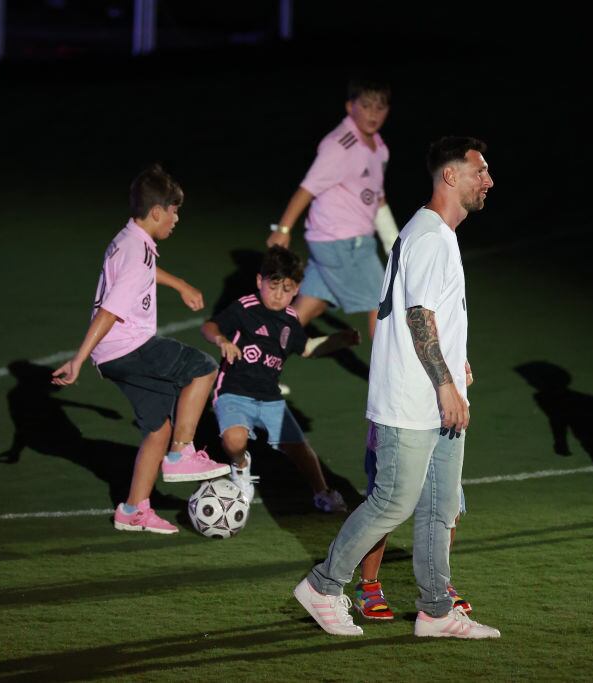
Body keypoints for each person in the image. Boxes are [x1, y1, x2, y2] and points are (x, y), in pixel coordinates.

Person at [293, 136, 500, 639]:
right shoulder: (431, 237)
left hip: (435, 394)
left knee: (438, 506)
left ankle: (435, 609)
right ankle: (323, 585)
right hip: (414, 401)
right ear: (451, 176)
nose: (488, 181)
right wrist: (447, 385)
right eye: (480, 172)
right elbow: (417, 315)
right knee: (392, 502)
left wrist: (456, 364)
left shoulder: (432, 234)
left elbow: (432, 315)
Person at [52, 164, 231, 535]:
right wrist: (78, 359)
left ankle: (133, 509)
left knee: (156, 428)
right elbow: (110, 311)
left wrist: (179, 283)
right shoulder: (137, 251)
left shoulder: (131, 239)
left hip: (114, 353)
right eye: (174, 210)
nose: (177, 218)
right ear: (156, 212)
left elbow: (144, 271)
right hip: (127, 346)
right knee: (202, 366)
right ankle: (182, 452)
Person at [200, 246, 359, 511]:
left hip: (270, 397)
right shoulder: (245, 307)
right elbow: (209, 326)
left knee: (300, 449)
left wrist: (338, 340)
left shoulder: (291, 320)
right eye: (273, 286)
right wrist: (221, 339)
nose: (278, 295)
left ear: (296, 290)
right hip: (233, 391)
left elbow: (307, 348)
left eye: (286, 289)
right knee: (234, 440)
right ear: (259, 282)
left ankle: (322, 492)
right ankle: (241, 466)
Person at [266, 78, 398, 339]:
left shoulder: (379, 148)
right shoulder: (340, 145)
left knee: (305, 310)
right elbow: (307, 188)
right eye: (367, 106)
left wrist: (395, 243)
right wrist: (282, 229)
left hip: (334, 243)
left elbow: (377, 199)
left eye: (380, 107)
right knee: (382, 304)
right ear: (350, 107)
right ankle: (387, 380)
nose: (373, 114)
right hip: (343, 244)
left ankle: (259, 366)